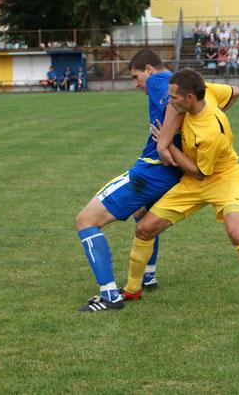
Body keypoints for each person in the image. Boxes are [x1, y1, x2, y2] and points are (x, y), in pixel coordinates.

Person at [120, 68, 239, 317]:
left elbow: (199, 173)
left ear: (190, 98)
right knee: (144, 228)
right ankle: (131, 289)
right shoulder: (208, 92)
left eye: (173, 98)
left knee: (237, 233)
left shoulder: (210, 133)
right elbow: (236, 91)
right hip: (193, 182)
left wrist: (168, 143)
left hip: (223, 178)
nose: (169, 102)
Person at [75, 50, 190, 312]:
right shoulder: (178, 80)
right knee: (143, 213)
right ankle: (148, 275)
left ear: (148, 69)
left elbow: (175, 106)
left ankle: (109, 296)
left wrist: (163, 144)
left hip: (151, 171)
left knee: (85, 221)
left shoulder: (158, 82)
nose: (135, 83)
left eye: (135, 76)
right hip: (171, 174)